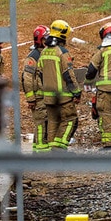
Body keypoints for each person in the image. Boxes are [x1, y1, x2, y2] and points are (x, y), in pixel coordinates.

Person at [37, 20, 82, 150]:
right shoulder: (62, 52)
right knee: (70, 120)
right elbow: (68, 74)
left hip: (49, 98)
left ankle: (52, 152)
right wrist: (76, 92)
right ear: (63, 35)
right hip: (63, 98)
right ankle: (59, 149)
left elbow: (39, 74)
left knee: (53, 123)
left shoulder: (44, 51)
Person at [21, 25, 50, 152]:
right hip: (38, 99)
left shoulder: (47, 53)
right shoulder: (33, 57)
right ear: (39, 40)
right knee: (40, 125)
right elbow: (27, 78)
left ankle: (41, 150)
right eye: (45, 39)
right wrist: (31, 99)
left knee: (47, 124)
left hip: (48, 97)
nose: (48, 41)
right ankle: (39, 153)